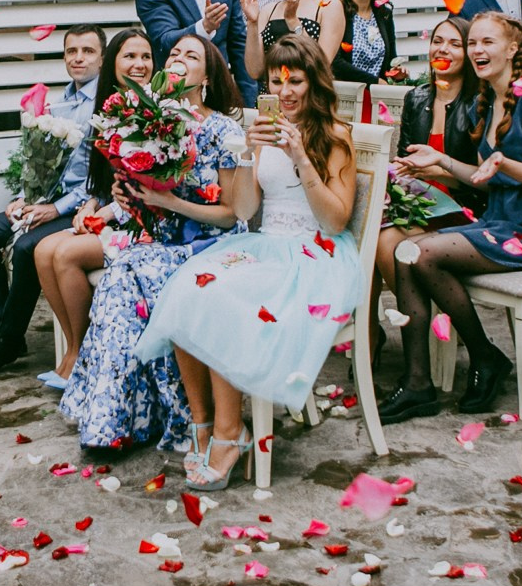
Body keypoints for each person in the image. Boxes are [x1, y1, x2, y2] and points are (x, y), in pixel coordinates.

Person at [137, 36, 360, 490]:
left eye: (296, 81)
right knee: (188, 286)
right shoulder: (264, 131)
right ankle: (202, 423)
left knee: (225, 302)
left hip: (315, 256)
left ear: (315, 83)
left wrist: (301, 158)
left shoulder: (335, 137)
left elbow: (335, 220)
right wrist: (245, 152)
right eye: (277, 82)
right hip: (266, 245)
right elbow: (243, 209)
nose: (286, 92)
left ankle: (230, 432)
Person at [378, 13, 522, 423]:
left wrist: (505, 163)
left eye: (487, 42)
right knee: (405, 252)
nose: (477, 50)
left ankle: (484, 355)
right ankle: (418, 382)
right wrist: (441, 160)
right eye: (473, 44)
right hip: (497, 222)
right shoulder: (488, 101)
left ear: (513, 48)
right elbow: (483, 181)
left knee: (420, 253)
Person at [58, 34, 245, 452]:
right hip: (162, 239)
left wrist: (170, 202)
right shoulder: (152, 119)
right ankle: (118, 420)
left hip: (213, 243)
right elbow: (143, 190)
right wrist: (127, 196)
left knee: (128, 270)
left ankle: (159, 415)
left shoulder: (223, 129)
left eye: (191, 56)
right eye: (174, 53)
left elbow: (232, 214)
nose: (179, 59)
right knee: (119, 279)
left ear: (207, 77)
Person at [0, 25, 105, 378]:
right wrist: (23, 197)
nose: (78, 58)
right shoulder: (61, 100)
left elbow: (100, 179)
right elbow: (42, 162)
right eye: (71, 51)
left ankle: (8, 341)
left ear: (102, 58)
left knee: (26, 247)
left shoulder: (104, 105)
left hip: (76, 207)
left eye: (87, 51)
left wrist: (55, 209)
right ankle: (1, 328)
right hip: (45, 199)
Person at [33, 27, 157, 388]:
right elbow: (102, 178)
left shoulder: (157, 112)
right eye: (130, 56)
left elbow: (146, 188)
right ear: (114, 63)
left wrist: (103, 214)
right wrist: (90, 203)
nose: (139, 64)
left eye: (146, 57)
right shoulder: (111, 110)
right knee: (42, 251)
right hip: (113, 212)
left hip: (145, 223)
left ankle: (81, 357)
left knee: (65, 254)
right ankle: (76, 348)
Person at [373, 15, 476, 348]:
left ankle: (421, 335)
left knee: (387, 240)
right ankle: (382, 334)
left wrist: (440, 174)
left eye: (454, 44)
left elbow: (485, 179)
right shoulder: (416, 98)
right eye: (437, 41)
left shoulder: (480, 102)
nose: (442, 49)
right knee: (372, 234)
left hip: (466, 209)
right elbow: (405, 160)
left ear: (469, 54)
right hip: (420, 203)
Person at [333, 0, 398, 86]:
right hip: (348, 93)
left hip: (378, 93)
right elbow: (335, 62)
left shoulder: (384, 14)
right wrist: (374, 82)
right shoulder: (338, 13)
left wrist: (397, 72)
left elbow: (390, 60)